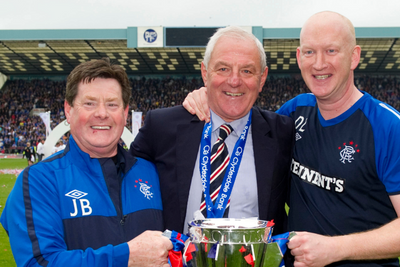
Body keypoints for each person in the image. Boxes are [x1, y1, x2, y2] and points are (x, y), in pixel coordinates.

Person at [183, 11, 400, 267]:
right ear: (299, 57)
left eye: (331, 51)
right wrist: (204, 94)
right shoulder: (293, 114)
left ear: (354, 56)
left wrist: (336, 249)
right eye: (309, 52)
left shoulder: (387, 126)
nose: (319, 64)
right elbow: (239, 122)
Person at [1, 58, 172, 267]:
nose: (102, 113)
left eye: (112, 104)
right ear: (69, 110)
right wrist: (125, 257)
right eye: (89, 103)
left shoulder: (151, 173)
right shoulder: (38, 181)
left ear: (125, 113)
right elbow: (39, 263)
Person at [131, 26, 295, 235]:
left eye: (247, 70)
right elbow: (119, 179)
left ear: (262, 79)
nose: (234, 81)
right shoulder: (162, 126)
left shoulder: (282, 132)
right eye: (223, 69)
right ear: (205, 73)